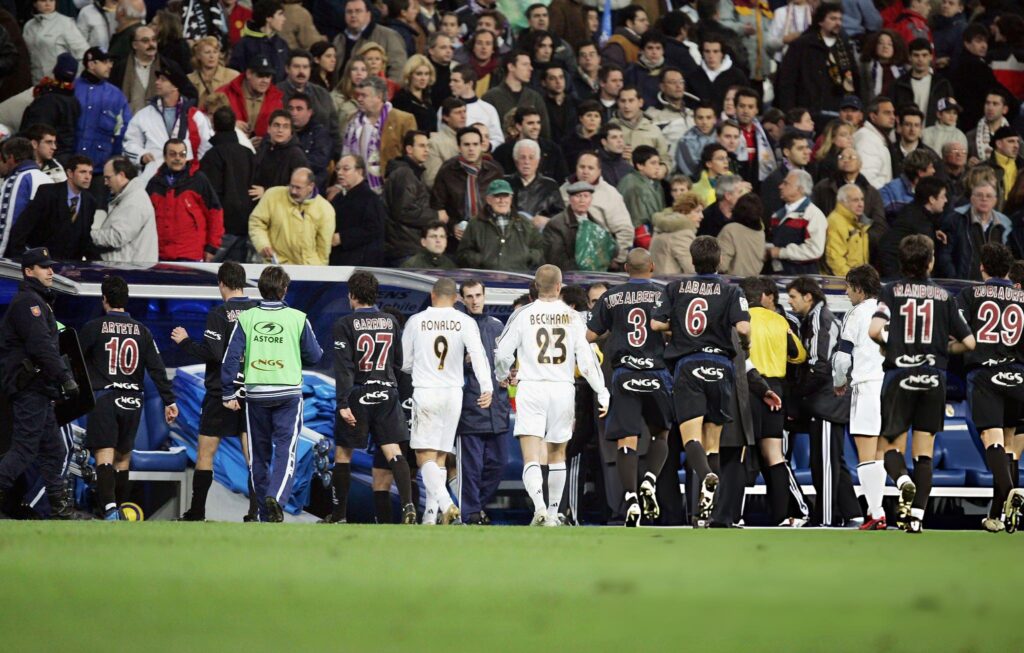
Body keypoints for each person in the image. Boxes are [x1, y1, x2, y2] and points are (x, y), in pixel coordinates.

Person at [868, 235, 976, 533]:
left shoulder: (891, 292)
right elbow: (969, 341)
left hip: (899, 376)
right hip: (933, 377)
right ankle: (916, 518)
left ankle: (903, 481)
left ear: (902, 262)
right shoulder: (944, 296)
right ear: (931, 261)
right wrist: (943, 350)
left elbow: (875, 329)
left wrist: (890, 347)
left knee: (890, 446)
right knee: (924, 451)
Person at [495, 264, 609, 526]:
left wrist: (503, 374)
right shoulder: (573, 317)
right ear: (559, 287)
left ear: (536, 286)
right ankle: (554, 512)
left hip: (532, 386)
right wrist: (601, 391)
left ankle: (539, 508)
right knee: (558, 453)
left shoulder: (524, 315)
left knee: (532, 454)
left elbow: (502, 353)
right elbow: (588, 359)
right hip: (562, 388)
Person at [651, 236, 750, 527]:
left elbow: (656, 323)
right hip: (720, 366)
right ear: (719, 261)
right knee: (713, 441)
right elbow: (743, 327)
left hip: (689, 364)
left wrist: (679, 327)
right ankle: (709, 512)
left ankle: (705, 475)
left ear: (692, 261)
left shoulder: (674, 288)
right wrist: (748, 343)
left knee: (690, 437)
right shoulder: (732, 291)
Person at [221, 265, 322, 522]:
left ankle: (266, 514)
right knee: (285, 450)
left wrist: (227, 393)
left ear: (261, 289)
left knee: (259, 454)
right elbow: (315, 355)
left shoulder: (248, 318)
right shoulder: (298, 318)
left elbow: (230, 358)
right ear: (285, 289)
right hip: (287, 393)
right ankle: (276, 499)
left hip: (256, 394)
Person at [586, 249, 672, 527]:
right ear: (652, 267)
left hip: (624, 374)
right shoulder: (663, 295)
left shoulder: (611, 296)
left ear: (625, 268)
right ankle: (649, 480)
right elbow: (673, 330)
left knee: (627, 440)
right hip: (656, 372)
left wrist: (615, 329)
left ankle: (632, 497)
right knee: (661, 433)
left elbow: (589, 335)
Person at [79, 276, 176, 520]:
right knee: (123, 458)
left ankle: (110, 510)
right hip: (133, 401)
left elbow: (73, 360)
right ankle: (119, 509)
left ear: (104, 300)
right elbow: (157, 369)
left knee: (104, 454)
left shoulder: (94, 327)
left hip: (105, 397)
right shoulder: (142, 331)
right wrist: (169, 401)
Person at [172, 262, 260, 521]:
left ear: (221, 283)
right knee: (252, 456)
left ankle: (197, 511)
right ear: (243, 282)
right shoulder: (258, 312)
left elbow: (214, 353)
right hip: (251, 393)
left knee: (205, 454)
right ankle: (255, 512)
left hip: (220, 392)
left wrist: (185, 342)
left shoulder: (219, 313)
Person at [327, 270, 415, 524]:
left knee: (343, 455)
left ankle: (339, 515)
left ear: (352, 296)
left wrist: (343, 402)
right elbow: (399, 361)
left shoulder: (344, 324)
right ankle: (408, 506)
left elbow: (344, 367)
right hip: (387, 392)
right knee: (393, 450)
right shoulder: (390, 321)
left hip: (358, 393)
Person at [402, 278, 492, 525]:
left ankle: (446, 503)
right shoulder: (464, 321)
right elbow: (479, 355)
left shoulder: (416, 321)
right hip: (454, 394)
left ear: (432, 295)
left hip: (427, 391)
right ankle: (430, 516)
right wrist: (487, 387)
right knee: (440, 455)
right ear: (456, 298)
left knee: (423, 456)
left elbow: (406, 363)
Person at [0, 247, 80, 519]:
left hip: (41, 390)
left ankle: (59, 509)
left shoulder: (38, 301)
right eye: (43, 267)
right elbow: (40, 346)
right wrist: (65, 377)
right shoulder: (28, 304)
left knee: (54, 450)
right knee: (23, 450)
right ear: (28, 271)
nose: (50, 271)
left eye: (50, 266)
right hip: (30, 388)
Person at [957, 243, 1024, 532]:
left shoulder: (969, 294)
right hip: (1019, 376)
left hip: (986, 374)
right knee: (1010, 446)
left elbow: (957, 330)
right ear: (1009, 269)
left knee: (992, 440)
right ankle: (999, 516)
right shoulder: (1022, 297)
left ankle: (1009, 493)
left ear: (982, 266)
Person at [787, 275, 862, 527]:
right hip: (827, 401)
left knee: (825, 464)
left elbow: (819, 366)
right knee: (832, 460)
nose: (790, 301)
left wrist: (797, 396)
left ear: (809, 297)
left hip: (829, 402)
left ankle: (826, 517)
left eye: (794, 296)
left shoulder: (820, 319)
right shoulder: (813, 319)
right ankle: (852, 513)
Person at [739, 276, 805, 526]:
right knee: (774, 454)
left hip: (748, 386)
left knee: (743, 451)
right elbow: (799, 355)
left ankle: (737, 515)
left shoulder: (741, 321)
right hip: (775, 389)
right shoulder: (780, 320)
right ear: (764, 297)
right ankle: (782, 516)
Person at [829, 265, 887, 529]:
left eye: (848, 287)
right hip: (890, 385)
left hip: (866, 385)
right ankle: (894, 496)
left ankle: (876, 513)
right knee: (882, 454)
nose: (846, 292)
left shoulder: (856, 312)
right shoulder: (888, 310)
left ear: (859, 289)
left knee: (866, 453)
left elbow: (842, 357)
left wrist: (839, 382)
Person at [455, 279, 509, 524]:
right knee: (471, 468)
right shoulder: (456, 327)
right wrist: (462, 363)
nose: (475, 300)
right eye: (469, 296)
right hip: (470, 406)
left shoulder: (497, 326)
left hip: (497, 407)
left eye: (478, 295)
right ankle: (470, 514)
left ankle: (477, 507)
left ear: (485, 296)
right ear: (462, 299)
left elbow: (506, 362)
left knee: (498, 465)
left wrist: (510, 374)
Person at [123, 60, 213, 176]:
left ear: (175, 87)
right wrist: (141, 156)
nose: (157, 83)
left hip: (186, 180)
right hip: (152, 179)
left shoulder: (195, 116)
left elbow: (206, 147)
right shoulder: (143, 115)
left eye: (163, 80)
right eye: (158, 79)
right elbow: (129, 143)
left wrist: (197, 174)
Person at [143, 138, 223, 264]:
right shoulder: (154, 183)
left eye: (182, 154)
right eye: (173, 154)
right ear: (164, 157)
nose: (178, 158)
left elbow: (215, 213)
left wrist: (212, 247)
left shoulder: (199, 180)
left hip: (191, 254)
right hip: (159, 254)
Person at [8, 155, 97, 261]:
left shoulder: (90, 201)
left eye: (90, 173)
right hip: (42, 264)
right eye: (83, 172)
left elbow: (85, 238)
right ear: (70, 173)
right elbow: (21, 229)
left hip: (69, 267)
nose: (88, 177)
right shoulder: (47, 193)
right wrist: (22, 261)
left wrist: (100, 265)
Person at [775, 2, 858, 116]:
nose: (838, 23)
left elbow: (855, 78)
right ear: (820, 21)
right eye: (833, 19)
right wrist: (790, 112)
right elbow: (787, 81)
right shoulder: (802, 45)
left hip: (839, 111)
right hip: (808, 111)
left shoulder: (844, 46)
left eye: (840, 19)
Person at [341, 75, 416, 194]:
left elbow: (412, 157)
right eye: (358, 95)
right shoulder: (352, 120)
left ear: (379, 96)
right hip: (359, 187)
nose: (359, 99)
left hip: (391, 188)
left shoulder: (404, 120)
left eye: (364, 95)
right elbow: (345, 154)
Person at [431, 127, 504, 245]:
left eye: (475, 144)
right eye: (466, 144)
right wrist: (452, 227)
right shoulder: (447, 171)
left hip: (490, 234)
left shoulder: (494, 172)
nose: (471, 149)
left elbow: (505, 204)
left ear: (481, 146)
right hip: (457, 237)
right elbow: (437, 208)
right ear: (459, 147)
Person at [201, 107, 257, 262]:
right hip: (246, 225)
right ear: (234, 125)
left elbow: (208, 195)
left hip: (221, 229)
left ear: (213, 125)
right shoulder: (248, 153)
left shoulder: (211, 156)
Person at [249, 167, 335, 265]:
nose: (293, 191)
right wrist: (263, 244)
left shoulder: (325, 209)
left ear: (311, 186)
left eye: (298, 188)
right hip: (276, 266)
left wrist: (318, 271)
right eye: (291, 186)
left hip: (308, 270)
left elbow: (324, 248)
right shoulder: (272, 195)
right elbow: (256, 223)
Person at [74, 47, 132, 188]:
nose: (110, 65)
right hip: (70, 168)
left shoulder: (116, 95)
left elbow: (123, 131)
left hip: (100, 172)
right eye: (105, 61)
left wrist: (115, 163)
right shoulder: (72, 89)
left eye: (111, 61)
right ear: (91, 64)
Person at [457, 179, 544, 272]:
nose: (502, 200)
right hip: (485, 278)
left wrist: (526, 256)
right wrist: (482, 259)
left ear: (511, 198)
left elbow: (539, 247)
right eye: (497, 196)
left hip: (519, 278)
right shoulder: (475, 223)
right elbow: (463, 253)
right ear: (488, 200)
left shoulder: (525, 222)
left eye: (505, 196)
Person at [383, 130, 438, 264]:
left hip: (406, 246)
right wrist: (435, 216)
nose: (426, 150)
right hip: (404, 248)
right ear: (409, 149)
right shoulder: (404, 173)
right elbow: (403, 212)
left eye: (428, 146)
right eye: (421, 146)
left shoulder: (413, 173)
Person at [877, 176, 948, 280]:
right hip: (898, 278)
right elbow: (887, 247)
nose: (946, 200)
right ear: (932, 199)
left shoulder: (916, 214)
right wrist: (897, 280)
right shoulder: (916, 220)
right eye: (943, 196)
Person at [90, 156, 157, 262]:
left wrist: (87, 235)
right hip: (127, 267)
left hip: (130, 271)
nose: (106, 183)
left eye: (108, 178)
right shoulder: (129, 197)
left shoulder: (135, 201)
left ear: (121, 175)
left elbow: (117, 237)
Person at [278, 49, 342, 157]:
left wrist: (337, 156)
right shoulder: (276, 92)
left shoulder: (322, 93)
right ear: (287, 69)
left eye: (305, 67)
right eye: (296, 67)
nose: (301, 71)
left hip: (322, 155)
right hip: (286, 155)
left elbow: (334, 129)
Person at [766, 169, 827, 274]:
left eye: (786, 183)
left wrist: (781, 252)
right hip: (777, 275)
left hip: (803, 280)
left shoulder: (813, 215)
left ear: (800, 189)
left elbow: (815, 250)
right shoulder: (777, 215)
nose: (780, 186)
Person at [21, 54, 80, 161]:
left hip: (45, 159)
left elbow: (36, 131)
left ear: (55, 70)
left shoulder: (47, 100)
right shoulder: (74, 101)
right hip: (64, 157)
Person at [0, 137, 52, 257]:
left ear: (11, 158)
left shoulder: (18, 179)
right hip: (42, 255)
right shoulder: (47, 178)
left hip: (19, 258)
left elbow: (7, 224)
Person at [482, 50, 552, 140]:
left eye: (530, 64)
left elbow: (545, 132)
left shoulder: (535, 97)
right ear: (511, 67)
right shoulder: (491, 97)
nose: (531, 68)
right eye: (525, 64)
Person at [329, 154, 385, 265]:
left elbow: (373, 229)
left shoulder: (370, 198)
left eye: (346, 169)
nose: (340, 173)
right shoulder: (338, 198)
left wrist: (342, 238)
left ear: (359, 171)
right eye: (338, 169)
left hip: (361, 263)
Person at [23, 0, 89, 86]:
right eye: (43, 1)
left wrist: (72, 79)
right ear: (35, 3)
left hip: (58, 83)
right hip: (34, 82)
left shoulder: (65, 23)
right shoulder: (29, 26)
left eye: (51, 0)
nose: (48, 4)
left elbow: (84, 54)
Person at [219, 56, 285, 141]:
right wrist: (230, 125)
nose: (265, 81)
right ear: (249, 74)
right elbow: (208, 122)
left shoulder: (276, 100)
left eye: (268, 76)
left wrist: (264, 142)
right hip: (230, 148)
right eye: (260, 75)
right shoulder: (225, 94)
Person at [493, 106, 567, 181]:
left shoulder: (552, 150)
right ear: (519, 126)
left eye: (538, 123)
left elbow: (562, 179)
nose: (536, 127)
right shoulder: (502, 152)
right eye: (530, 123)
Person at [506, 138, 563, 231]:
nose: (526, 162)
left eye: (531, 157)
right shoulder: (505, 183)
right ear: (515, 160)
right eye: (522, 157)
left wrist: (548, 221)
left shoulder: (550, 186)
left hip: (540, 237)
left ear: (538, 161)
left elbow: (561, 218)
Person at [891, 39, 951, 127]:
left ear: (931, 57)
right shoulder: (898, 84)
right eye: (916, 55)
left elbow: (951, 112)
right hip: (905, 136)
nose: (920, 59)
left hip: (935, 137)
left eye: (924, 55)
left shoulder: (942, 84)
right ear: (909, 57)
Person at [250, 110, 309, 199]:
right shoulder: (265, 146)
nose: (280, 130)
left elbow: (300, 189)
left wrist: (266, 192)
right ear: (269, 129)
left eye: (285, 127)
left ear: (291, 132)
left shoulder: (296, 155)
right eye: (276, 125)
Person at [229, 0, 290, 83]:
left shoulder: (282, 44)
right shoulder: (245, 44)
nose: (284, 19)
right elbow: (236, 73)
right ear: (268, 18)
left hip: (279, 94)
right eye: (280, 14)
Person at [543, 180, 598, 271]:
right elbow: (556, 259)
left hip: (592, 274)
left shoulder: (596, 224)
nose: (582, 200)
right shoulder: (556, 225)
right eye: (578, 196)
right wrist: (582, 270)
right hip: (568, 275)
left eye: (586, 196)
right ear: (570, 199)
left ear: (591, 199)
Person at [617, 144, 665, 246]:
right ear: (640, 165)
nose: (657, 167)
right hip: (637, 240)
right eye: (653, 163)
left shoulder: (654, 182)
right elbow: (637, 222)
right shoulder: (632, 185)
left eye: (658, 163)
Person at [688, 35, 749, 114]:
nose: (711, 56)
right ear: (702, 53)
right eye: (707, 51)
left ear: (722, 53)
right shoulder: (693, 76)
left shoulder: (737, 76)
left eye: (715, 51)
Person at [611, 85, 669, 165]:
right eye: (623, 101)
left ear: (640, 102)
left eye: (631, 101)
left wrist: (662, 170)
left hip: (648, 177)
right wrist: (616, 157)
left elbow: (665, 158)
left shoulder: (653, 129)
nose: (626, 106)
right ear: (618, 103)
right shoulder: (609, 128)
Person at [111, 25, 162, 113]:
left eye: (154, 40)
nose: (151, 44)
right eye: (145, 41)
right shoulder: (120, 68)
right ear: (135, 45)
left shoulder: (167, 66)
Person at [825, 183, 871, 277]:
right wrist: (853, 279)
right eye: (855, 200)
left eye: (862, 199)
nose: (860, 204)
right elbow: (834, 258)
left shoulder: (859, 222)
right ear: (843, 202)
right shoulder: (835, 222)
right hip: (841, 281)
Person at [287, 93, 331, 188]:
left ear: (309, 112)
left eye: (299, 109)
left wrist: (290, 164)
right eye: (291, 109)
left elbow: (320, 161)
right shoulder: (282, 130)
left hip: (312, 183)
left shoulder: (320, 133)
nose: (293, 113)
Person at [717, 192, 766, 278]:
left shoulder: (731, 229)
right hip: (754, 283)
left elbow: (721, 265)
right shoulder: (761, 233)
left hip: (732, 284)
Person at [880, 148, 937, 221]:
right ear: (920, 172)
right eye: (931, 167)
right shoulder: (889, 192)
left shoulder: (931, 191)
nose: (934, 171)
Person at [854, 96, 896, 189]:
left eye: (893, 113)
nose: (893, 117)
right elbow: (867, 178)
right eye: (887, 113)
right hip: (873, 200)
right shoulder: (867, 139)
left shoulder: (876, 138)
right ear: (873, 117)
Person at [423, 97, 466, 187]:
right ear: (446, 117)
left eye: (464, 112)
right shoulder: (434, 143)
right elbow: (431, 180)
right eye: (458, 112)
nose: (463, 116)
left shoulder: (470, 139)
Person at [392, 54, 436, 132]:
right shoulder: (400, 100)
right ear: (409, 75)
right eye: (419, 74)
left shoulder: (428, 99)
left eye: (426, 74)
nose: (423, 78)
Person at [890, 107, 937, 179]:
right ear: (899, 127)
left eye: (916, 125)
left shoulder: (931, 155)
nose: (912, 129)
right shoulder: (889, 151)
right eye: (908, 124)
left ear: (921, 129)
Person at [675, 101, 717, 179]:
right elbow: (692, 172)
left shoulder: (724, 136)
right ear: (694, 119)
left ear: (715, 119)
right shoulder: (684, 142)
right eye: (700, 118)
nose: (704, 122)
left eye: (708, 117)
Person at [988, 126, 1023, 202]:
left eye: (1017, 141)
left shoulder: (1022, 166)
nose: (1016, 146)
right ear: (999, 144)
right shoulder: (985, 168)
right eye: (1011, 141)